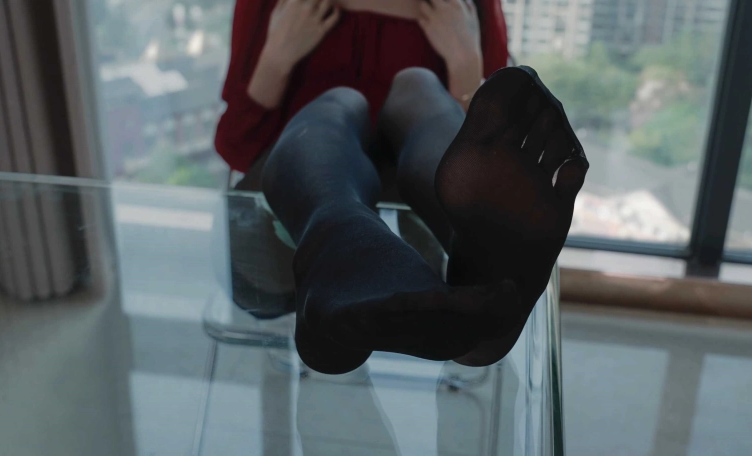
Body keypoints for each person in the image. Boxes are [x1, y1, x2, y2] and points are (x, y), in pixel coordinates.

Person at [215, 0, 589, 374]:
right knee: (338, 104)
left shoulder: (469, 5)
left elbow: (484, 126)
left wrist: (464, 63)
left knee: (416, 85)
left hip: (406, 198)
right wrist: (277, 58)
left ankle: (354, 246)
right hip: (297, 187)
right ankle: (477, 274)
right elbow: (236, 145)